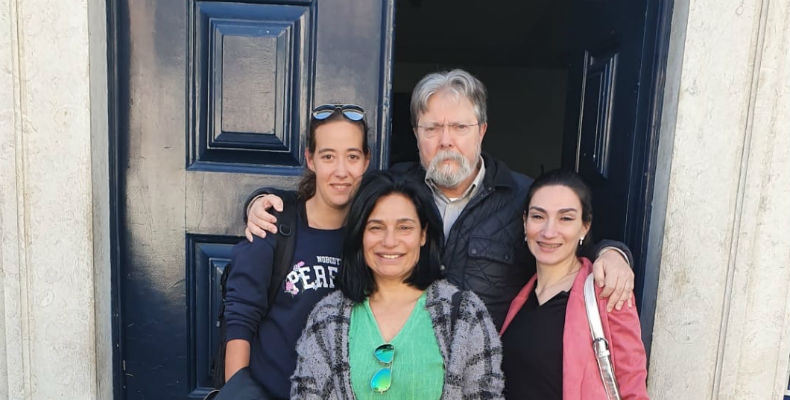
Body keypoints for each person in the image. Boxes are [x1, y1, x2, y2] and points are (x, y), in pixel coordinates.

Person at [243, 69, 635, 330]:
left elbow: (569, 241)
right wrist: (265, 201)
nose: (446, 140)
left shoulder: (520, 197)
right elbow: (332, 193)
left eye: (459, 127)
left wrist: (613, 254)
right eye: (432, 128)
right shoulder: (391, 187)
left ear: (482, 130)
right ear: (416, 135)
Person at [290, 171, 504, 399]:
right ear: (360, 235)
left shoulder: (464, 315)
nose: (390, 241)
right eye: (376, 227)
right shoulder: (327, 316)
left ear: (423, 235)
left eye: (404, 227)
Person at [218, 104, 371, 399]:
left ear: (366, 161)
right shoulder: (274, 226)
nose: (341, 171)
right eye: (328, 156)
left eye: (352, 156)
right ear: (310, 159)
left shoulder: (373, 238)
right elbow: (239, 323)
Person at [499, 169, 648, 399]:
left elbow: (633, 389)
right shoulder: (520, 295)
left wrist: (615, 253)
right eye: (538, 216)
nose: (549, 232)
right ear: (525, 222)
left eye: (565, 218)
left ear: (584, 226)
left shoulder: (606, 291)